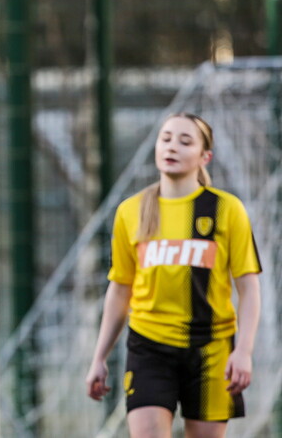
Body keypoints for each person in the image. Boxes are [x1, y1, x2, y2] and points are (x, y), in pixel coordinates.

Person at [85, 113, 262, 438]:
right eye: (165, 138)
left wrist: (244, 351)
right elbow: (120, 289)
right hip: (149, 347)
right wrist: (100, 356)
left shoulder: (227, 209)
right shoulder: (131, 211)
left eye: (185, 141)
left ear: (204, 156)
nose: (172, 147)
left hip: (212, 350)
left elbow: (249, 288)